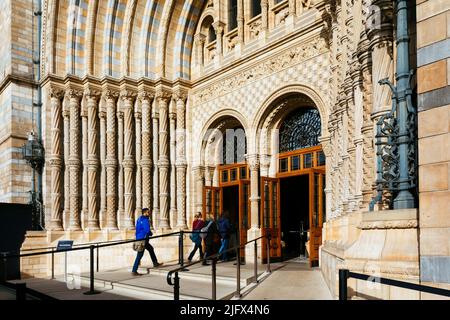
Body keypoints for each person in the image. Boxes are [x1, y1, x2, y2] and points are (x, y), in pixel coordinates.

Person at [131, 208, 162, 276]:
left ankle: (155, 262)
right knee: (139, 255)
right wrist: (151, 233)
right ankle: (134, 270)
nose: (149, 213)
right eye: (148, 212)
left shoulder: (139, 219)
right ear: (144, 213)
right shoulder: (145, 220)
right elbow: (147, 230)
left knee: (151, 249)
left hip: (139, 238)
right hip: (143, 239)